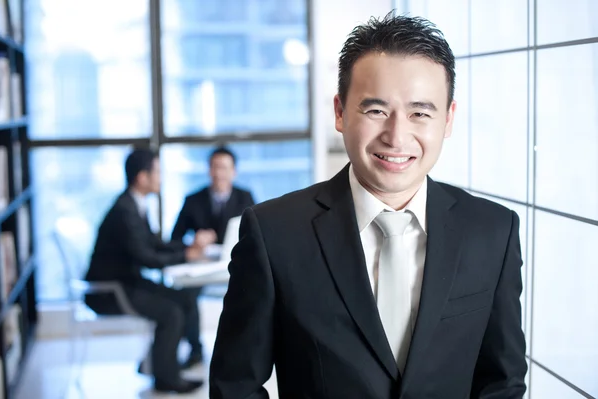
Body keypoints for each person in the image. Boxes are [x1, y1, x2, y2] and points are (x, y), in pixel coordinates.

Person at [209, 13, 527, 399]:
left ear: (448, 119)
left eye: (420, 113)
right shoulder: (273, 233)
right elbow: (235, 386)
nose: (396, 136)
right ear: (340, 112)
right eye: (376, 111)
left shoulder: (492, 231)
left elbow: (502, 382)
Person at [84, 148, 204, 394]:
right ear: (142, 177)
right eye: (157, 172)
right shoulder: (124, 211)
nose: (161, 178)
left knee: (184, 297)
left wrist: (188, 246)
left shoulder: (133, 204)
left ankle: (159, 364)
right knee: (171, 313)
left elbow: (153, 243)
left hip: (129, 281)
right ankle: (166, 377)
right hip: (111, 290)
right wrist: (186, 255)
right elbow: (146, 257)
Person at [170, 146, 255, 368]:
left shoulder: (245, 197)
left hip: (234, 265)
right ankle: (195, 349)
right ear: (208, 170)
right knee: (187, 293)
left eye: (224, 168)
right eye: (214, 167)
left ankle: (244, 347)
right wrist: (194, 243)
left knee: (252, 289)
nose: (218, 173)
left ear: (233, 172)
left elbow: (256, 236)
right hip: (202, 266)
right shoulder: (193, 200)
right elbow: (174, 239)